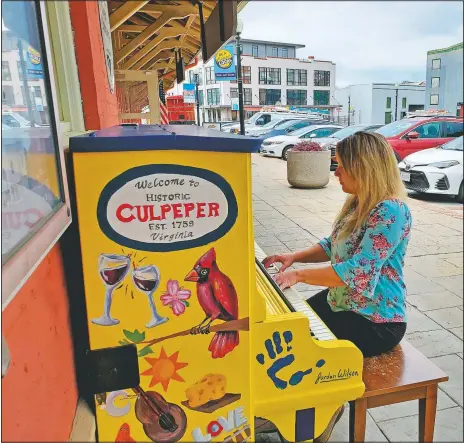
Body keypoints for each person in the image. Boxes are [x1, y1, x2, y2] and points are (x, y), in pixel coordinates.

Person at [262, 131, 412, 443]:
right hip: (345, 303)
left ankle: (323, 410)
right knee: (291, 328)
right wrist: (295, 258)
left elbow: (360, 271)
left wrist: (300, 277)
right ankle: (292, 405)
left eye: (342, 165)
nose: (336, 171)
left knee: (305, 348)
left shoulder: (391, 211)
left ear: (365, 168)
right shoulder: (358, 203)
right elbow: (333, 245)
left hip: (376, 320)